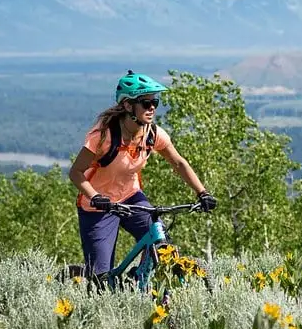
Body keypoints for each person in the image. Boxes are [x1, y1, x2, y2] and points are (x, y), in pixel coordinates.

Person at [68, 70, 217, 284]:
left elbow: (178, 162)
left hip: (131, 197)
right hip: (98, 206)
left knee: (161, 244)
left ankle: (137, 280)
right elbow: (75, 172)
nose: (152, 108)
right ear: (128, 106)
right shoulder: (103, 136)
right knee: (100, 280)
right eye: (146, 103)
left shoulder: (152, 133)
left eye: (155, 102)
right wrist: (95, 197)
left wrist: (202, 192)